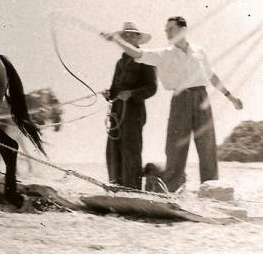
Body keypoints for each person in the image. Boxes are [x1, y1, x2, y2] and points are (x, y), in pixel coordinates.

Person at [103, 16, 243, 192]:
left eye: (171, 29)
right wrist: (116, 40)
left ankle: (211, 190)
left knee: (207, 147)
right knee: (175, 149)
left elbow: (211, 76)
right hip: (179, 99)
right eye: (166, 30)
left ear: (183, 30)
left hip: (202, 97)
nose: (167, 33)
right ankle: (170, 193)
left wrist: (230, 97)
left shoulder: (199, 51)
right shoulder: (164, 54)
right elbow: (137, 54)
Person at [103, 22, 157, 190]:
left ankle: (132, 190)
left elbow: (152, 88)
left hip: (134, 114)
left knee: (130, 152)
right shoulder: (120, 63)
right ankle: (116, 189)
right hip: (116, 114)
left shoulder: (146, 59)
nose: (129, 38)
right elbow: (114, 90)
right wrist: (109, 94)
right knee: (112, 151)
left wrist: (131, 94)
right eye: (125, 35)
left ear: (138, 38)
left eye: (132, 35)